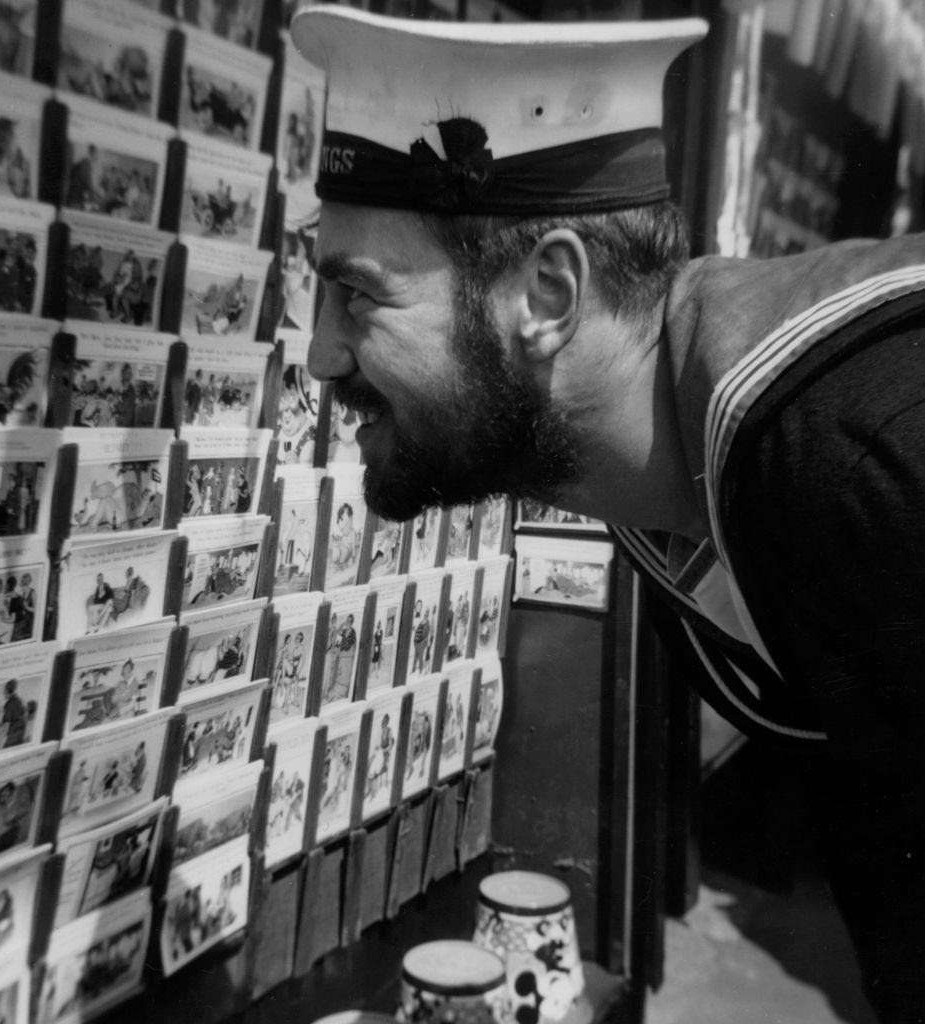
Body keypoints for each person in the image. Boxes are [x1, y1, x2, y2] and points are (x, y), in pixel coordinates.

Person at [291, 8, 925, 1019]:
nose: (320, 356)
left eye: (358, 297)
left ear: (546, 293)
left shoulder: (865, 455)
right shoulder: (683, 477)